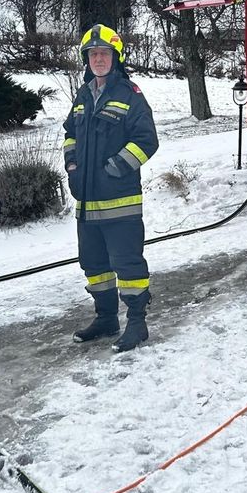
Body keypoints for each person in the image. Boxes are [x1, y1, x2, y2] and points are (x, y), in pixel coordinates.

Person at [63, 24, 158, 353]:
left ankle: (137, 323)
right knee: (93, 264)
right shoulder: (83, 94)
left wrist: (114, 169)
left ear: (116, 57)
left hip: (121, 203)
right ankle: (106, 318)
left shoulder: (129, 94)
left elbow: (147, 141)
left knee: (127, 264)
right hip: (87, 204)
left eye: (104, 53)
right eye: (93, 54)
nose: (99, 59)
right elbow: (70, 134)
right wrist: (72, 166)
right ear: (86, 59)